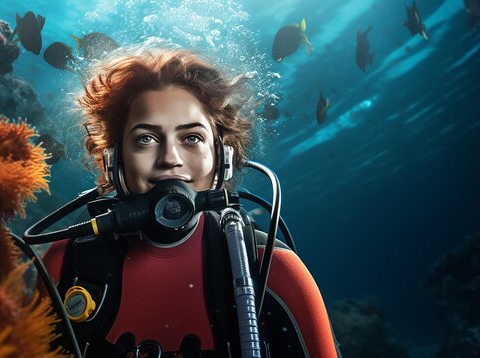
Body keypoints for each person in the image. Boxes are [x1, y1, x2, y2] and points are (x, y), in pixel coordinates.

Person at [40, 48, 341, 357]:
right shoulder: (65, 262)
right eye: (145, 138)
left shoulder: (273, 270)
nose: (170, 159)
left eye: (191, 138)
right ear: (114, 160)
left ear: (222, 157)